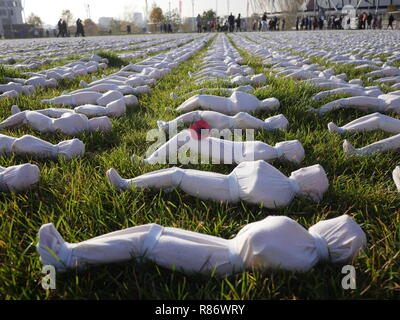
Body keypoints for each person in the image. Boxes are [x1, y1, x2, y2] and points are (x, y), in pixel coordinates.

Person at [37, 215, 366, 275]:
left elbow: (262, 256)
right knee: (152, 230)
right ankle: (74, 246)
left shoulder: (305, 257)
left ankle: (68, 260)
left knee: (146, 244)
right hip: (224, 244)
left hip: (220, 261)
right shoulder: (303, 238)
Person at [107, 160, 329, 209]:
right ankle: (157, 186)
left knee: (177, 174)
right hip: (226, 181)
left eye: (305, 172)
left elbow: (251, 190)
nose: (300, 169)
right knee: (178, 174)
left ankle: (127, 185)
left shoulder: (283, 194)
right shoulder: (281, 182)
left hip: (225, 190)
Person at [175, 92, 280, 116]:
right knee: (198, 96)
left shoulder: (253, 110)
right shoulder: (255, 100)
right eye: (271, 99)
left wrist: (235, 98)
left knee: (200, 100)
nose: (269, 100)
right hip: (225, 100)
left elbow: (236, 108)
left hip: (224, 106)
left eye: (272, 103)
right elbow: (237, 94)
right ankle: (179, 107)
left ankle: (179, 111)